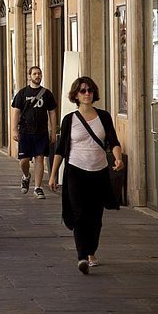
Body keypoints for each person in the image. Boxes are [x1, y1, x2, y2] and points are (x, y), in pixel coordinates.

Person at [48, 76, 124, 274]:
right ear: (76, 95)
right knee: (79, 214)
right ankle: (82, 256)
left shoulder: (104, 117)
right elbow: (61, 149)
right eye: (82, 91)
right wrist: (53, 174)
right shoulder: (69, 120)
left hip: (98, 172)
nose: (87, 93)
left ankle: (91, 251)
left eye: (90, 90)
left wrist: (118, 158)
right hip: (75, 172)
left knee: (95, 216)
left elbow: (113, 141)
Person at [12, 66, 57, 199]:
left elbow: (52, 112)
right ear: (30, 76)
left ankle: (37, 188)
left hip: (41, 131)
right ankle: (26, 176)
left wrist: (53, 131)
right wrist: (14, 129)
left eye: (39, 73)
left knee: (40, 158)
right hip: (25, 132)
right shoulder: (22, 93)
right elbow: (15, 111)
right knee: (23, 160)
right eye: (35, 74)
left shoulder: (47, 93)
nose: (37, 76)